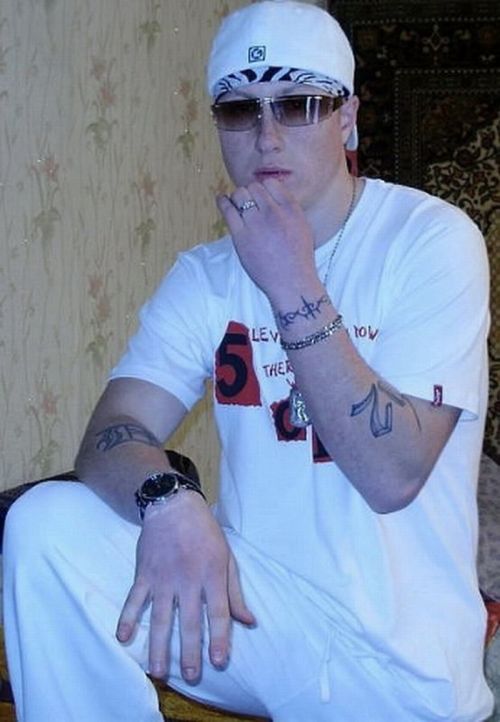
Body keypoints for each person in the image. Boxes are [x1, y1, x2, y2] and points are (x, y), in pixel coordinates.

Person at [3, 1, 493, 720]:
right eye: (240, 110)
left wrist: (290, 279)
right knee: (45, 526)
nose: (267, 135)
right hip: (261, 620)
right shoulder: (205, 275)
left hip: (406, 669)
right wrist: (169, 499)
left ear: (348, 118)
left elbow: (393, 474)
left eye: (298, 104)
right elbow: (112, 430)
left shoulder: (430, 241)